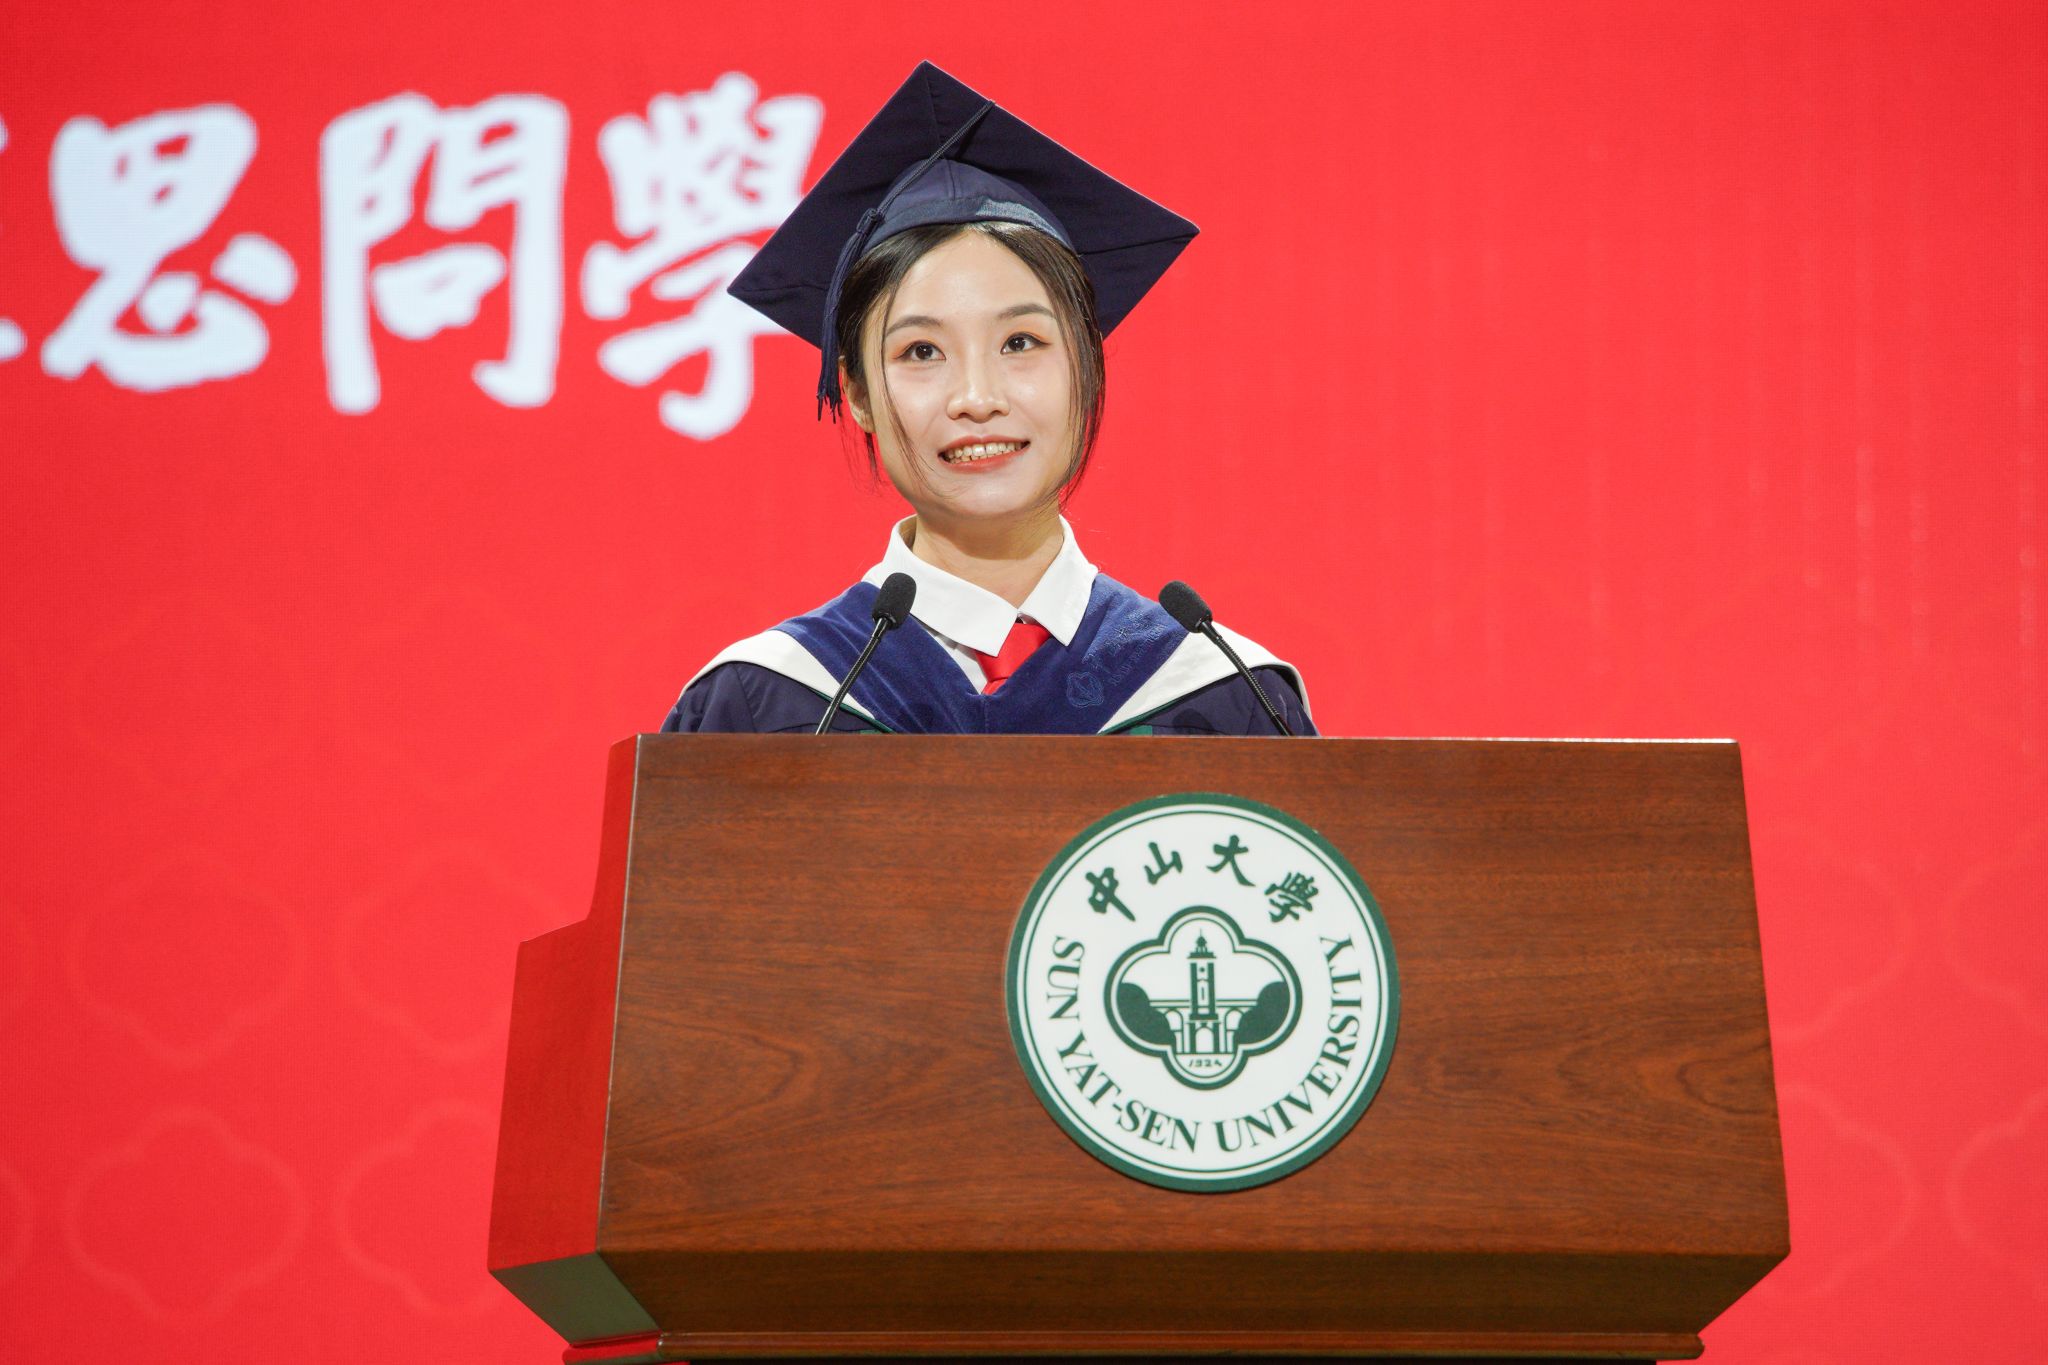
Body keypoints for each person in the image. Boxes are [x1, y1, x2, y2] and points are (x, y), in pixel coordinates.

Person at [660, 62, 1314, 737]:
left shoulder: (1226, 699)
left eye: (1021, 342)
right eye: (921, 352)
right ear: (856, 392)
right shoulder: (761, 706)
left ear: (1087, 365)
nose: (976, 398)